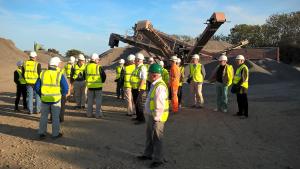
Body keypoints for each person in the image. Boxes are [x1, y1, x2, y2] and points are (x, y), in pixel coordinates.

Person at [137, 63, 169, 168]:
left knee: (157, 138)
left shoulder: (159, 87)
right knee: (149, 136)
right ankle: (147, 154)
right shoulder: (154, 84)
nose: (148, 75)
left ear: (154, 75)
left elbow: (159, 105)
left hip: (157, 117)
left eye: (149, 73)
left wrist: (156, 118)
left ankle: (158, 159)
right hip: (152, 115)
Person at [35, 57, 68, 139]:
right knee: (56, 117)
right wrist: (62, 95)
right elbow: (65, 88)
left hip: (44, 99)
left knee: (43, 117)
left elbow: (36, 87)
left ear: (49, 64)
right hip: (55, 100)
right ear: (56, 65)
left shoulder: (42, 73)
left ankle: (42, 133)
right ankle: (55, 134)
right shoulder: (59, 74)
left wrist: (41, 94)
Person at [85, 53, 106, 118]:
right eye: (98, 59)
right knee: (98, 102)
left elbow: (84, 76)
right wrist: (101, 81)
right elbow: (104, 76)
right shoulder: (98, 67)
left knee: (90, 101)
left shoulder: (87, 67)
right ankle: (97, 115)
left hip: (90, 87)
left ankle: (89, 114)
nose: (98, 60)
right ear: (95, 59)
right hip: (98, 87)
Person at [130, 53, 147, 124]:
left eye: (136, 60)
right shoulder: (137, 67)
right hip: (135, 88)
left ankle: (142, 119)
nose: (134, 61)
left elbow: (143, 79)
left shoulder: (142, 67)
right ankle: (138, 117)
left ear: (139, 60)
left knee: (139, 103)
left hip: (139, 89)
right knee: (136, 103)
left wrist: (139, 88)